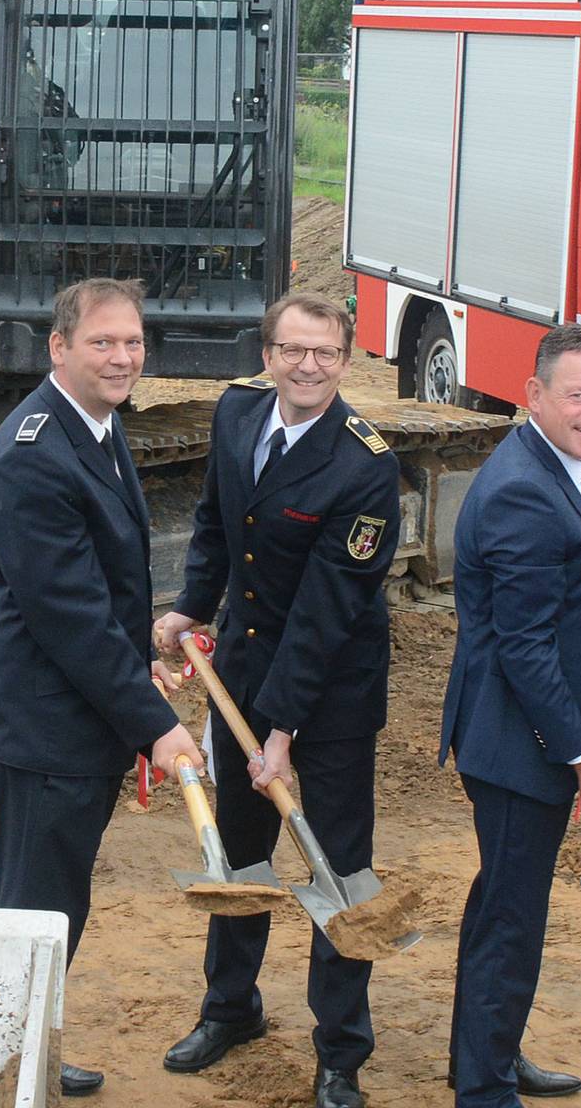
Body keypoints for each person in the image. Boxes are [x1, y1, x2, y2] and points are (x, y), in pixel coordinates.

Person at [150, 295, 400, 1108]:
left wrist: (283, 729)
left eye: (325, 353)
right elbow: (219, 527)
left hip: (328, 699)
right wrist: (193, 602)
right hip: (243, 680)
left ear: (348, 360)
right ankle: (230, 1008)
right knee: (241, 852)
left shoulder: (365, 465)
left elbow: (330, 610)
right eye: (292, 350)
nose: (307, 367)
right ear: (268, 353)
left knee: (337, 868)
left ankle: (341, 1051)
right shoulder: (237, 413)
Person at [0, 277, 205, 1099]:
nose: (123, 356)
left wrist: (142, 650)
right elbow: (66, 617)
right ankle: (6, 1071)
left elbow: (97, 589)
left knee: (50, 914)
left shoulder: (92, 427)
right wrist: (157, 724)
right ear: (58, 347)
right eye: (103, 342)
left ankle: (24, 1047)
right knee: (35, 919)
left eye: (132, 342)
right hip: (44, 731)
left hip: (69, 719)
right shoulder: (36, 457)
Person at [438, 324, 581, 1107]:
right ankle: (484, 1089)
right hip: (521, 744)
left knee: (505, 908)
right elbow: (526, 650)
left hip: (527, 738)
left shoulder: (561, 466)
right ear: (535, 396)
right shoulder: (526, 487)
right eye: (579, 395)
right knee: (510, 920)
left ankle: (489, 1056)